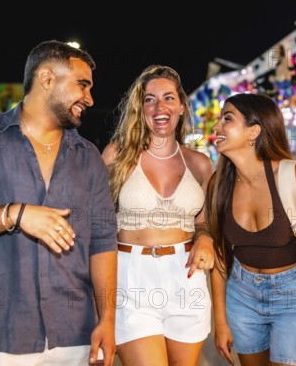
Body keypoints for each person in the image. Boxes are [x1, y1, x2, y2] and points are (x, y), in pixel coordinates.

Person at [0, 40, 117, 366]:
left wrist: (108, 320)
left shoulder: (89, 158)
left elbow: (103, 245)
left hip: (76, 336)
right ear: (46, 79)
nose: (89, 98)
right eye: (82, 85)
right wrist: (13, 214)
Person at [206, 93, 296, 366]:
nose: (217, 126)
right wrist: (220, 322)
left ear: (254, 131)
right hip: (241, 294)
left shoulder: (294, 175)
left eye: (227, 118)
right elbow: (219, 257)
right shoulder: (219, 184)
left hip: (294, 294)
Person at [101, 65, 214, 366]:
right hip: (131, 278)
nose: (159, 107)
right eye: (150, 99)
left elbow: (203, 223)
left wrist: (204, 239)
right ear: (140, 107)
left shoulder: (200, 164)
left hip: (187, 277)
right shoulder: (117, 156)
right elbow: (97, 225)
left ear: (180, 105)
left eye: (168, 98)